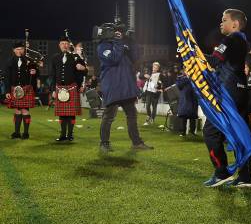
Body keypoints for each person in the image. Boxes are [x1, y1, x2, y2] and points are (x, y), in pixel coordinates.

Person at [202, 9, 251, 188]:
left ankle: (221, 173)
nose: (221, 23)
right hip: (240, 91)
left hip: (228, 92)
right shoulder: (243, 40)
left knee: (210, 131)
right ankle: (246, 176)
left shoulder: (230, 39)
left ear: (235, 24)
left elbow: (214, 61)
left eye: (224, 20)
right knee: (239, 132)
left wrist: (194, 54)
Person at [98, 23, 153, 152]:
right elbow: (114, 59)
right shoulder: (103, 46)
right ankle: (104, 143)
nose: (118, 33)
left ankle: (136, 143)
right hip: (113, 86)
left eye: (120, 32)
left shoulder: (123, 43)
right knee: (109, 116)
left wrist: (131, 42)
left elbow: (136, 58)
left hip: (126, 86)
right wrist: (118, 42)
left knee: (132, 114)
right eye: (116, 31)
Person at [49, 35, 87, 141]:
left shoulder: (75, 57)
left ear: (69, 45)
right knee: (62, 114)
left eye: (66, 44)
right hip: (59, 88)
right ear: (59, 45)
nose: (64, 45)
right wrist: (52, 90)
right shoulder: (55, 58)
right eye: (62, 44)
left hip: (72, 88)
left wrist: (83, 68)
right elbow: (52, 75)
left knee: (71, 114)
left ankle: (70, 135)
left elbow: (84, 72)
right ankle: (62, 135)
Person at [4, 42, 38, 139]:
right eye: (17, 49)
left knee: (25, 110)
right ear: (14, 50)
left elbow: (36, 74)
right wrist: (7, 91)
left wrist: (34, 72)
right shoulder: (9, 61)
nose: (19, 51)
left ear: (24, 50)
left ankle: (26, 133)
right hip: (14, 88)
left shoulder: (29, 60)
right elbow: (7, 77)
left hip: (26, 88)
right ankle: (17, 132)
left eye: (21, 49)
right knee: (17, 110)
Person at [141, 62, 164, 126]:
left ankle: (152, 119)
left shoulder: (159, 75)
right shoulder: (150, 73)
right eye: (153, 67)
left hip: (155, 92)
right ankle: (149, 115)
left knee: (154, 106)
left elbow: (161, 83)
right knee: (148, 105)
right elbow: (142, 76)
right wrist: (145, 76)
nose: (154, 68)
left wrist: (159, 86)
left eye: (156, 67)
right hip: (149, 91)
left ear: (158, 68)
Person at [176, 71, 198, 137]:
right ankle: (183, 132)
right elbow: (178, 85)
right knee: (184, 116)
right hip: (185, 99)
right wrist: (187, 78)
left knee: (193, 116)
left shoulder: (195, 77)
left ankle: (192, 132)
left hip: (193, 99)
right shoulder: (182, 78)